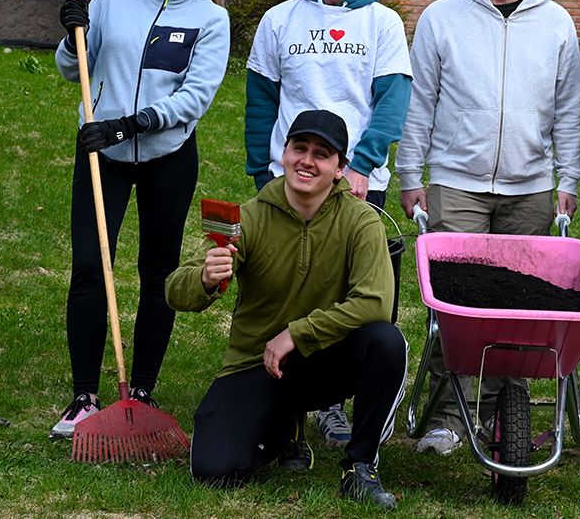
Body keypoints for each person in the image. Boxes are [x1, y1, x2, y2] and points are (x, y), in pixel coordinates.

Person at [396, 0, 580, 455]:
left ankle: (510, 410)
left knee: (522, 308)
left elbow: (569, 110)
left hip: (530, 188)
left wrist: (567, 177)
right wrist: (412, 172)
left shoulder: (555, 23)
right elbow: (420, 105)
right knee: (455, 309)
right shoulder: (441, 18)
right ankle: (450, 416)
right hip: (456, 183)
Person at [167, 110, 407, 510]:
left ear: (339, 169)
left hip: (329, 358)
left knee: (386, 341)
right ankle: (283, 428)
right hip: (257, 361)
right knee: (215, 470)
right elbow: (175, 290)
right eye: (300, 148)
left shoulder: (362, 221)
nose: (307, 161)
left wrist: (298, 333)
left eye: (322, 154)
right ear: (284, 154)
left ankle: (359, 467)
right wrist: (205, 279)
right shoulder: (248, 217)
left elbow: (375, 302)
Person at [50, 0, 230, 439]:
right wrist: (71, 34)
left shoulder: (211, 18)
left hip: (168, 156)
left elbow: (195, 96)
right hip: (100, 153)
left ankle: (143, 388)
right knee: (88, 266)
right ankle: (83, 396)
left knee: (158, 273)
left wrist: (131, 124)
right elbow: (73, 68)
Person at [244, 0, 412, 448]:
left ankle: (340, 404)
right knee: (290, 293)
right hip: (289, 180)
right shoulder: (279, 19)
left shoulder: (382, 23)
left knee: (357, 298)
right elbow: (259, 103)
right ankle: (284, 398)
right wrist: (260, 175)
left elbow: (393, 102)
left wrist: (360, 164)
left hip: (359, 181)